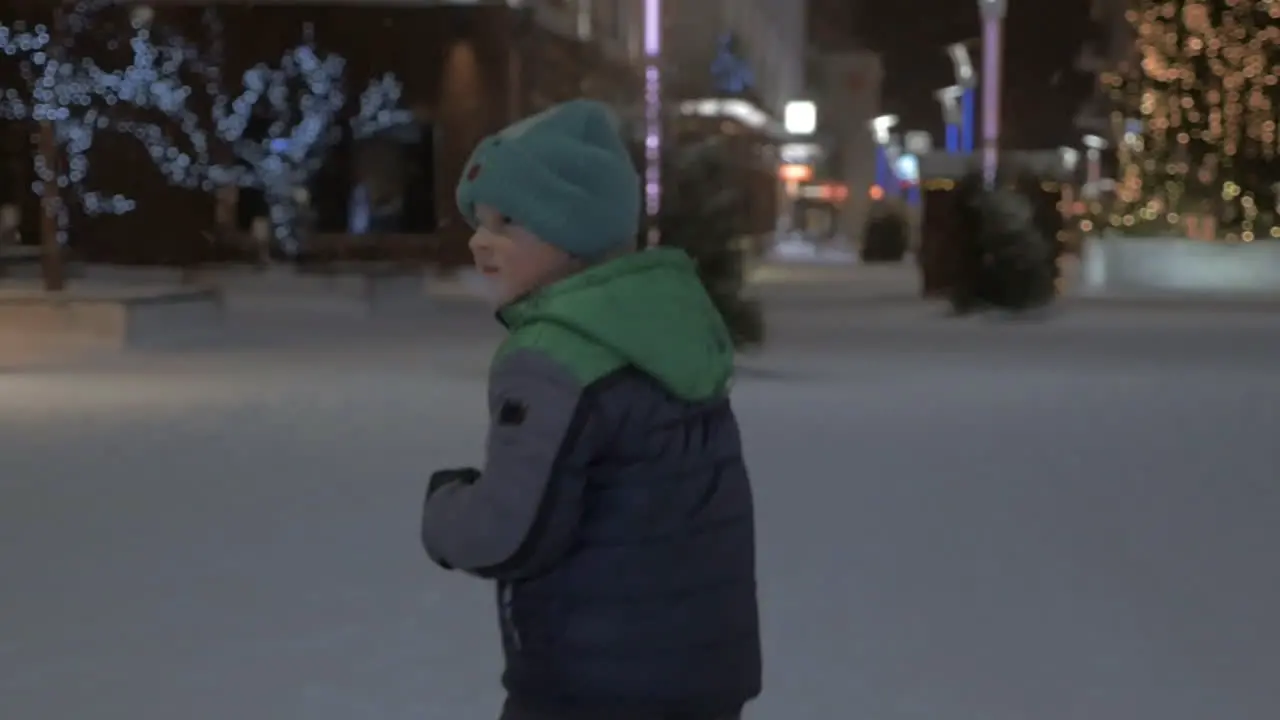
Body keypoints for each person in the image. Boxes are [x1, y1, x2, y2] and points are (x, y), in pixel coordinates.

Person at [420, 99, 761, 720]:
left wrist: (445, 511)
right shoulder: (669, 327)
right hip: (698, 671)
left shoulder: (554, 356)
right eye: (478, 219)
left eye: (506, 222)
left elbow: (509, 531)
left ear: (570, 232)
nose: (479, 240)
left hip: (590, 683)